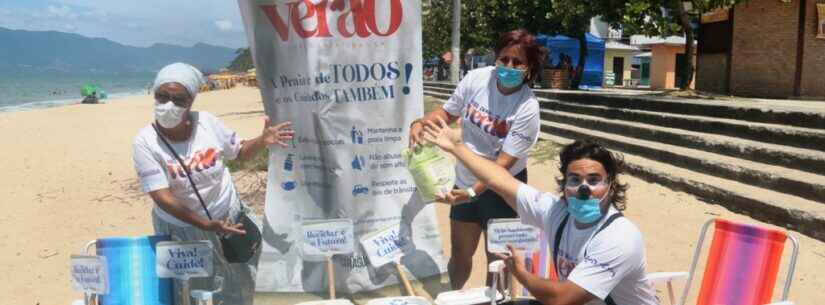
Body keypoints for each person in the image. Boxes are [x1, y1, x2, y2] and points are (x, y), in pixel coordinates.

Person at [422, 120, 659, 305]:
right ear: (564, 185)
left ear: (611, 186)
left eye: (594, 180)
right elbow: (498, 179)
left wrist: (521, 274)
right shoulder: (557, 212)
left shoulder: (619, 238)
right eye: (575, 179)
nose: (584, 189)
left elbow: (561, 299)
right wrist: (457, 147)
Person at [132, 63, 294, 305]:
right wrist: (204, 224)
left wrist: (262, 140)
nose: (168, 105)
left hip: (230, 216)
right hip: (182, 229)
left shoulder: (207, 123)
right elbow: (161, 196)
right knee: (194, 291)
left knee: (243, 279)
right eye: (162, 96)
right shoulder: (145, 142)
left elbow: (238, 152)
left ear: (191, 100)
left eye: (179, 99)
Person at [409, 29, 544, 289]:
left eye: (518, 63)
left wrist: (472, 192)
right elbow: (447, 113)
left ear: (529, 68)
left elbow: (502, 166)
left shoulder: (528, 108)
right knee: (460, 255)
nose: (509, 66)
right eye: (504, 59)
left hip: (504, 189)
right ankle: (453, 295)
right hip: (465, 180)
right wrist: (421, 123)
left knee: (500, 261)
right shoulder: (476, 78)